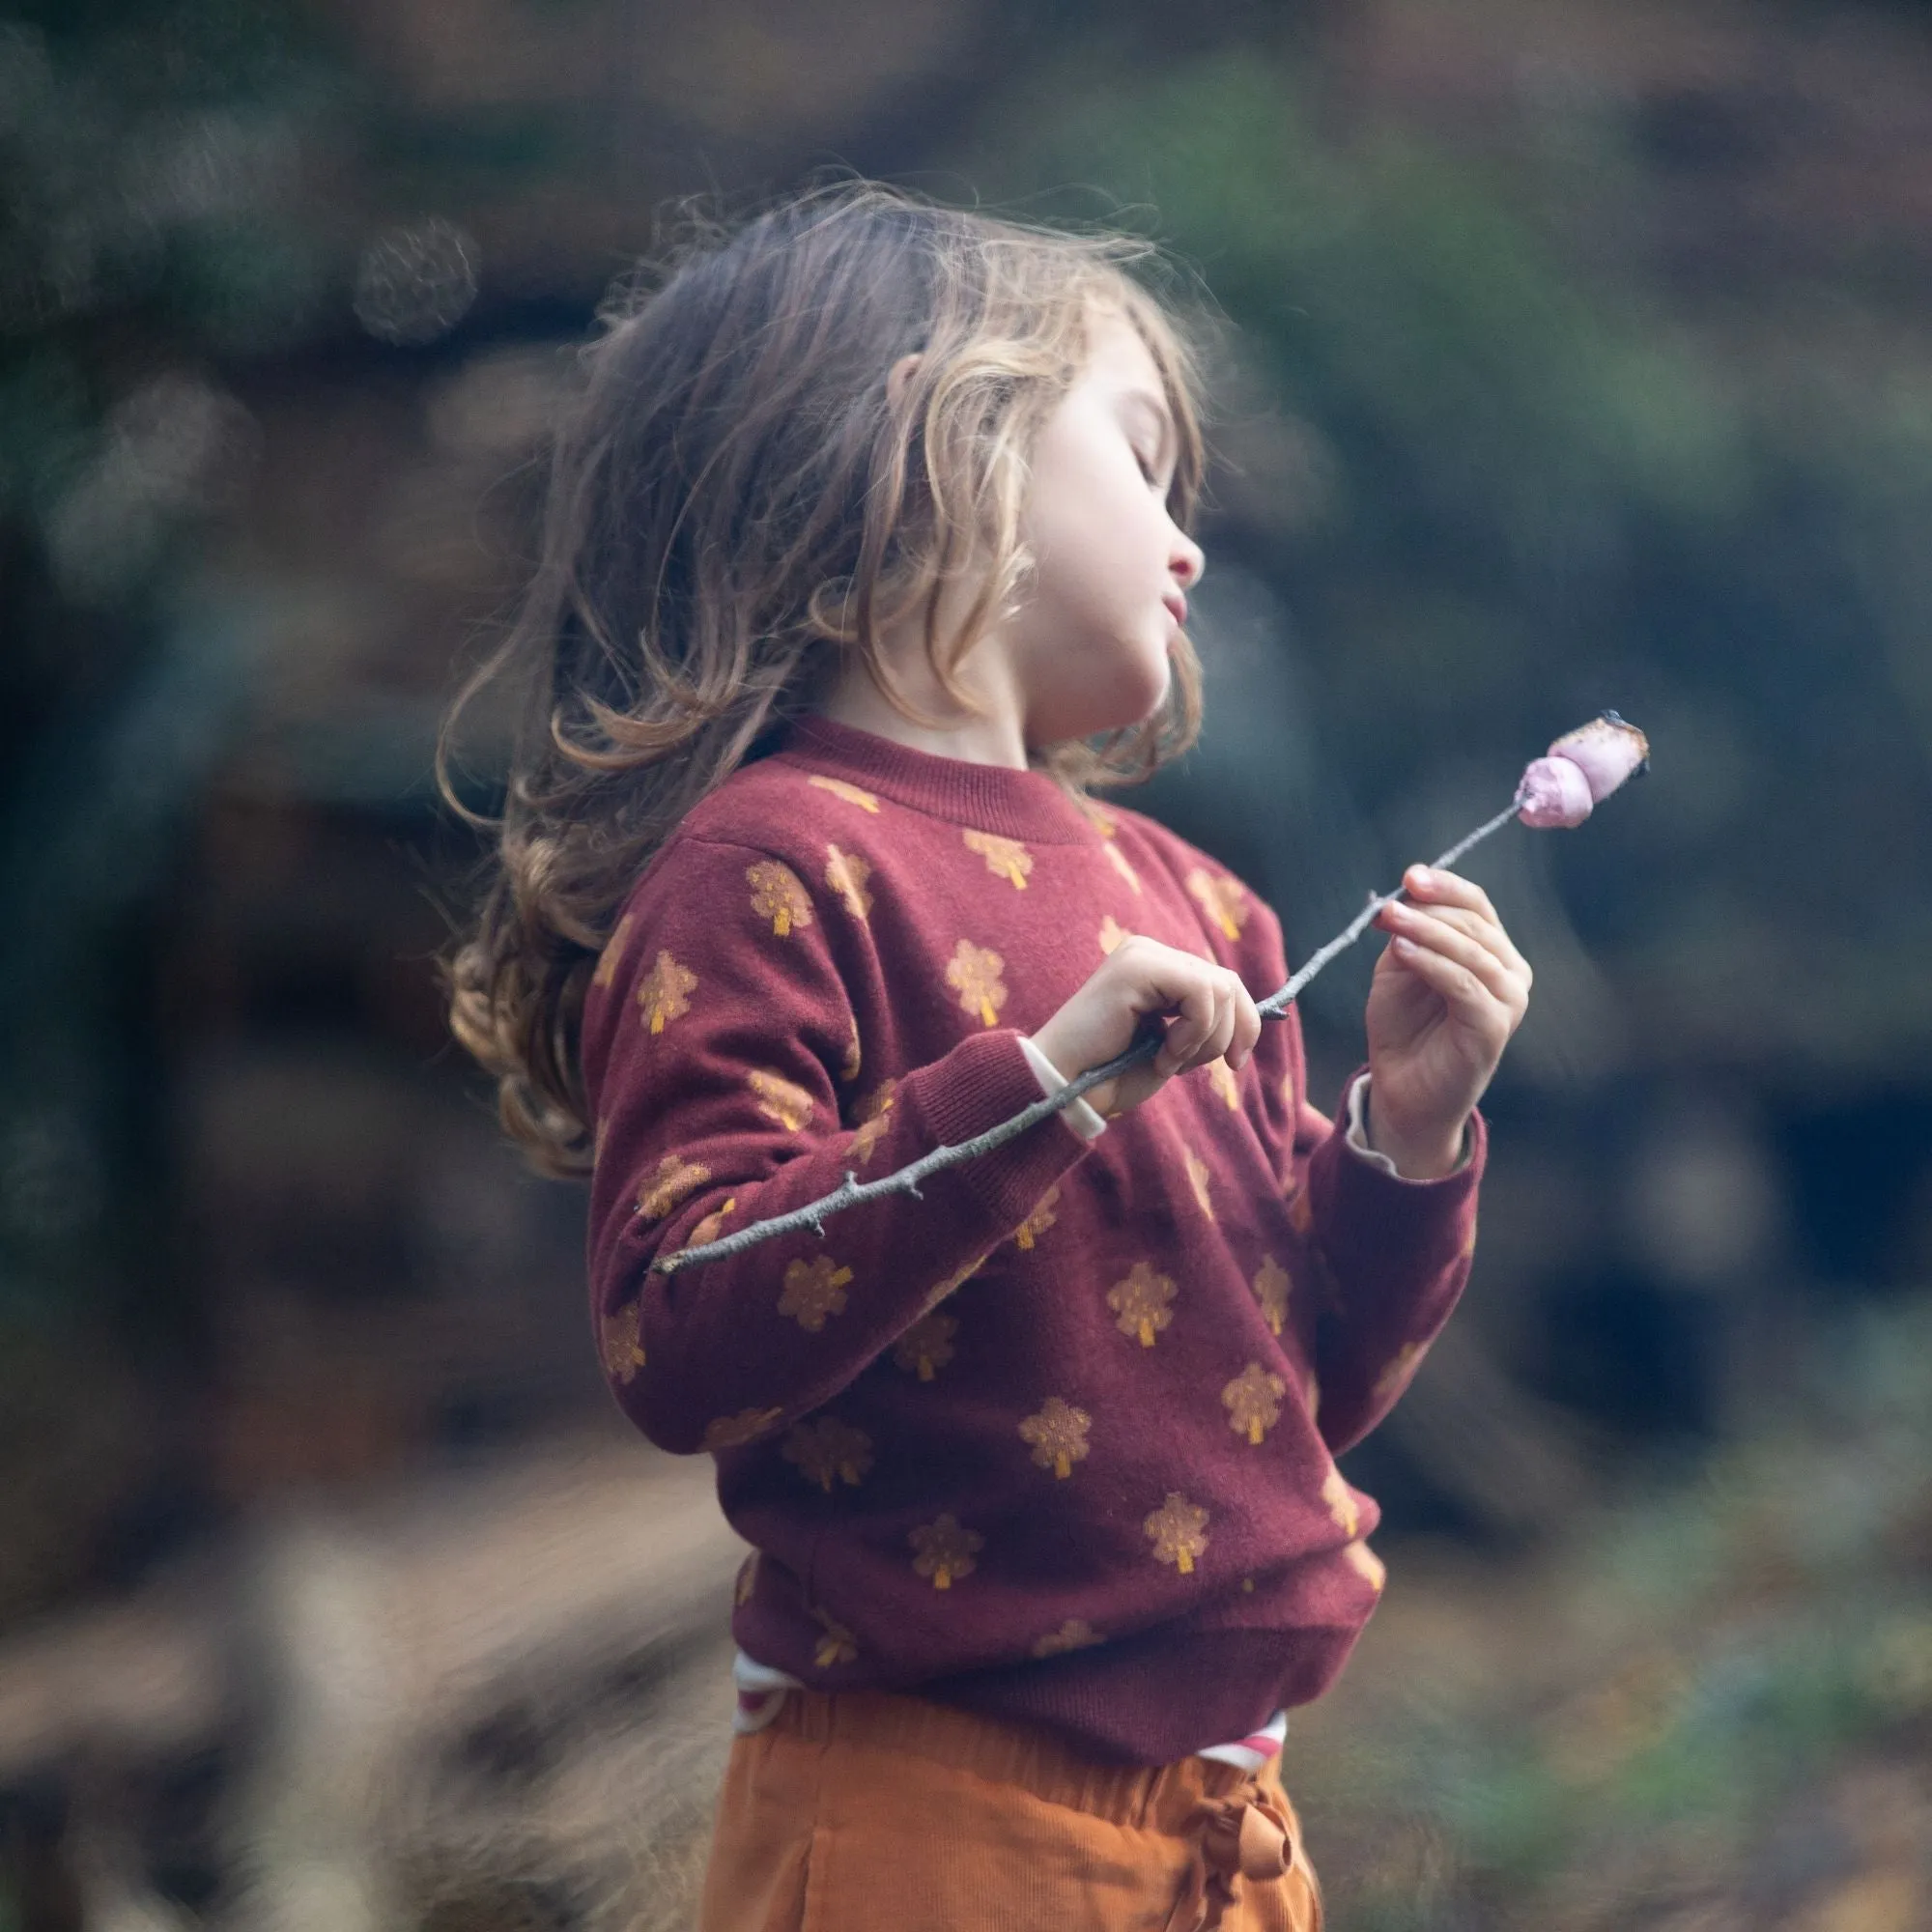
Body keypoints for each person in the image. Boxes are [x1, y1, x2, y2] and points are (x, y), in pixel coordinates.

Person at [439, 181, 1532, 1932]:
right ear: (930, 449)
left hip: (1229, 1835)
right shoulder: (774, 866)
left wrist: (1408, 1141)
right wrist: (1036, 1089)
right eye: (1142, 460)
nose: (1190, 541)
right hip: (930, 1826)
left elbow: (1288, 1400)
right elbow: (681, 1331)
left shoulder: (1208, 909)